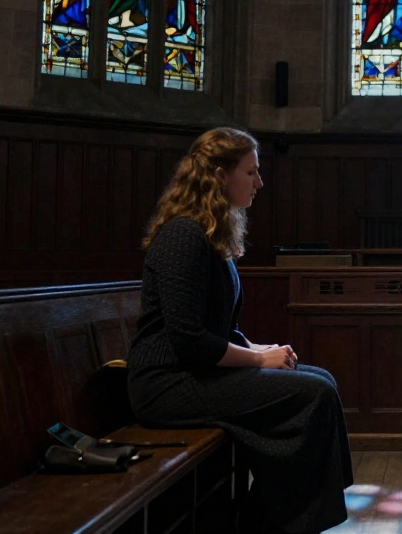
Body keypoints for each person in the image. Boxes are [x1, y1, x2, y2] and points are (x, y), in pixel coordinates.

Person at [127, 128, 353, 534]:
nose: (260, 182)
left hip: (194, 375)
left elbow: (222, 327)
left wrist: (261, 346)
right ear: (218, 176)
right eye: (251, 172)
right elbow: (189, 340)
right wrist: (257, 359)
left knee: (321, 380)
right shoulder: (183, 236)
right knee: (312, 395)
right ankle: (274, 523)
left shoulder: (210, 237)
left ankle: (279, 516)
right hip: (166, 385)